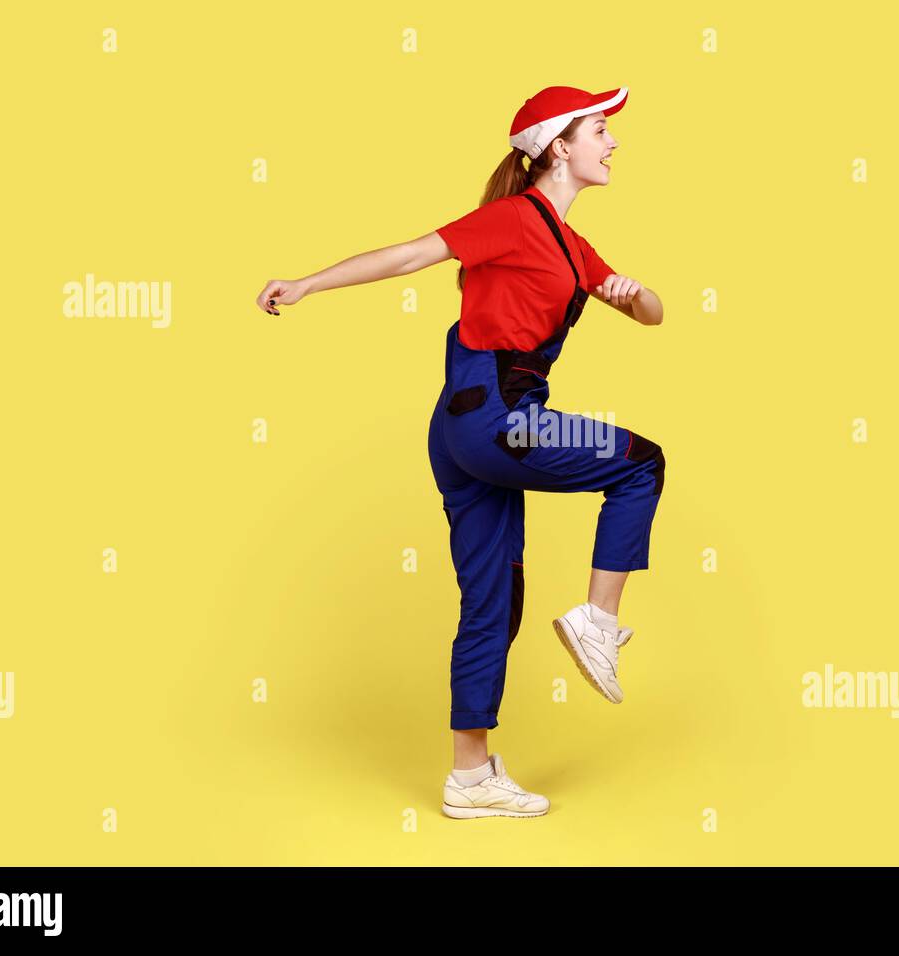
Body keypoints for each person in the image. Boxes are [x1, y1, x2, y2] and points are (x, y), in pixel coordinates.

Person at [254, 85, 666, 819]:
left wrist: (635, 297)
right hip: (500, 424)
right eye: (600, 130)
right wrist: (308, 283)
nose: (613, 143)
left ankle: (470, 778)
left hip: (465, 429)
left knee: (492, 601)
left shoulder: (573, 246)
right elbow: (410, 255)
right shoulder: (512, 218)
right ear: (559, 147)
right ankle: (598, 622)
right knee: (641, 461)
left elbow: (655, 316)